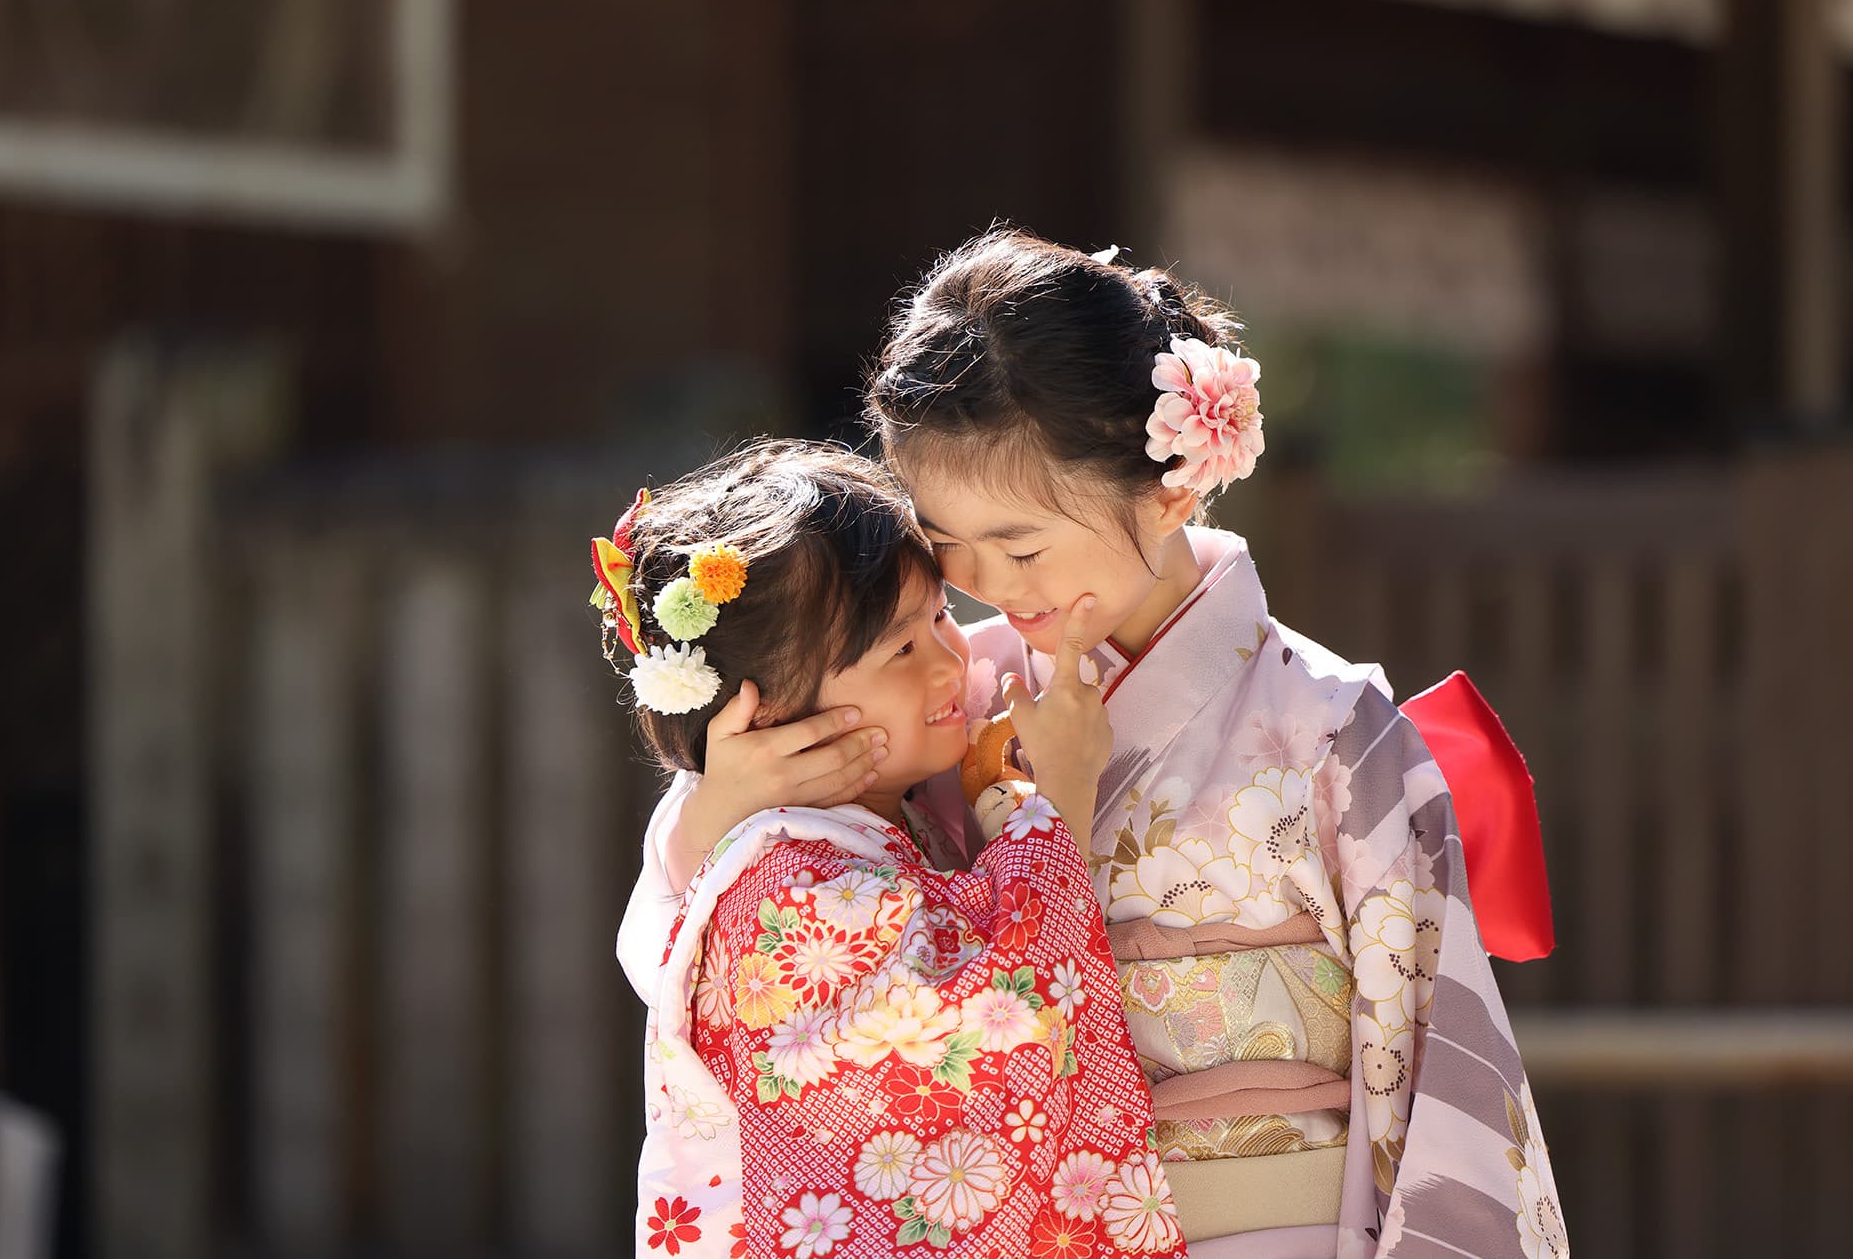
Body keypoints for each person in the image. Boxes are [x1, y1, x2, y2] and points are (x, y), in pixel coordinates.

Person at [631, 232, 1567, 1258]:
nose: (988, 586)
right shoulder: (949, 698)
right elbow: (755, 945)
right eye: (949, 551)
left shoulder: (1329, 726)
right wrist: (713, 810)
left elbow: (1436, 1054)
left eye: (1021, 545)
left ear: (1168, 488)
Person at [601, 440, 1188, 1258]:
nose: (953, 659)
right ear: (763, 719)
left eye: (941, 616)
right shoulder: (780, 885)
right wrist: (1060, 798)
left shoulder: (815, 832)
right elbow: (979, 1027)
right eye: (901, 649)